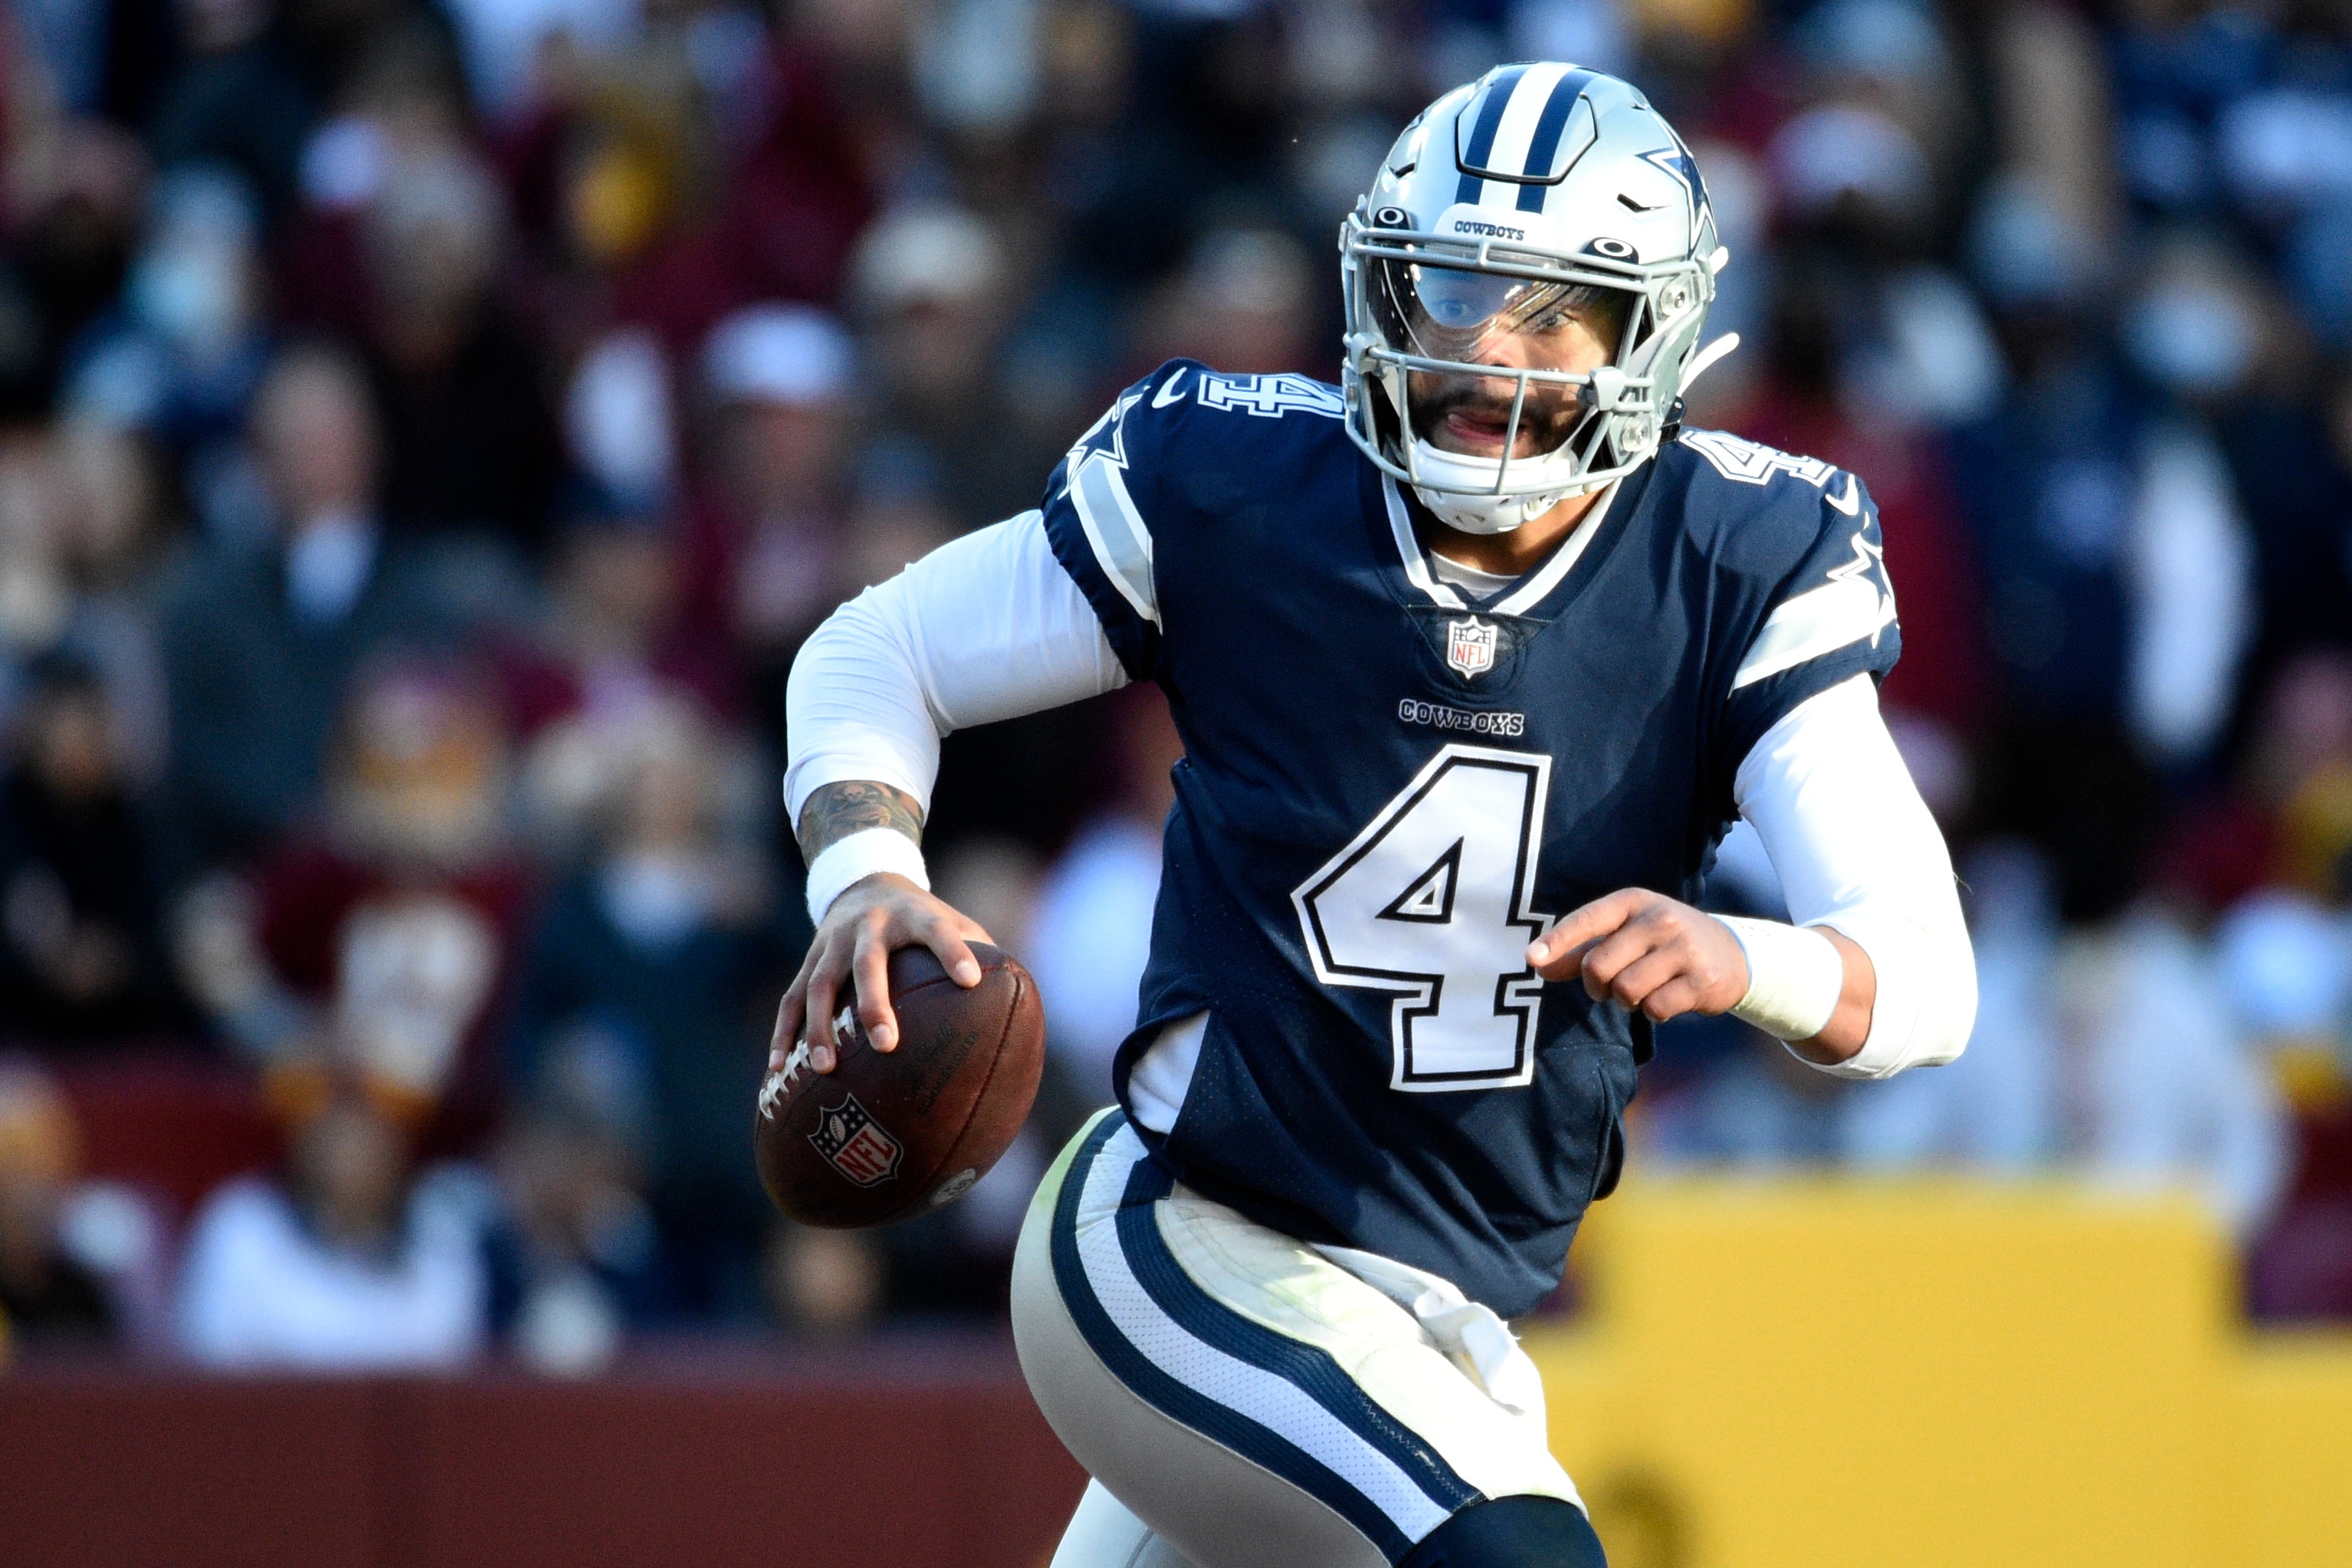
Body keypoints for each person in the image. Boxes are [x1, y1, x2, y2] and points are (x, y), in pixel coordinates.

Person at [773, 65, 1977, 1568]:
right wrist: (866, 873)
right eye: (1454, 286)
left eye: (1551, 308)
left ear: (1650, 333)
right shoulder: (1250, 488)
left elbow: (1922, 981)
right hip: (1180, 1234)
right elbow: (874, 650)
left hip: (1431, 1319)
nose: (1486, 346)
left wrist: (1746, 960)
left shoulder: (1733, 565)